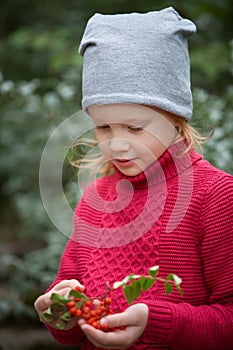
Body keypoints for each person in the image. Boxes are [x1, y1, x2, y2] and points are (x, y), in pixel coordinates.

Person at [34, 7, 233, 350]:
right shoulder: (96, 199)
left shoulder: (216, 196)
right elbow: (69, 330)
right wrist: (58, 309)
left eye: (135, 127)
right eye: (103, 127)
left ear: (176, 118)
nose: (117, 143)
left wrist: (157, 324)